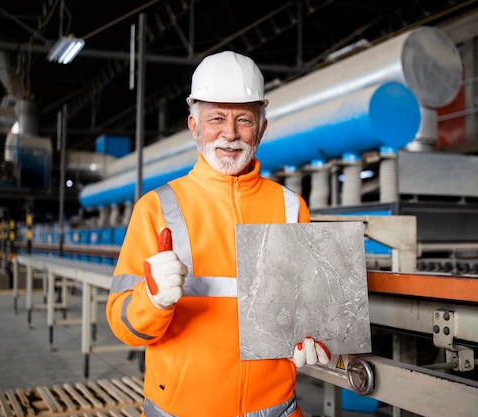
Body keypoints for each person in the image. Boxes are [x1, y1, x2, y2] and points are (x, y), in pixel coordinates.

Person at [106, 50, 330, 417]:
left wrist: (312, 337)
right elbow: (123, 324)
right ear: (194, 126)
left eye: (244, 119)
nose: (230, 133)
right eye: (216, 119)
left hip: (275, 409)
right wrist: (154, 300)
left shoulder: (292, 207)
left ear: (262, 127)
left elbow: (305, 307)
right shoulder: (158, 207)